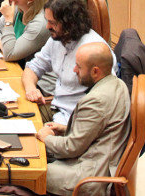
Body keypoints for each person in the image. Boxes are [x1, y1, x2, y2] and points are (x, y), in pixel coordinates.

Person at [36, 42, 130, 196]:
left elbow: (71, 148)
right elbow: (99, 129)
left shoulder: (97, 100)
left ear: (95, 71)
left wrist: (46, 138)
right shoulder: (117, 84)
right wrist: (64, 128)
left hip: (89, 177)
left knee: (30, 170)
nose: (74, 70)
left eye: (78, 67)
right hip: (96, 160)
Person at [23, 0, 113, 125]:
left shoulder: (95, 50)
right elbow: (33, 67)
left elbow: (105, 102)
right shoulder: (57, 38)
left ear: (69, 24)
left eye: (52, 23)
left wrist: (64, 130)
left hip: (74, 121)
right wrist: (31, 88)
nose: (47, 27)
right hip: (55, 108)